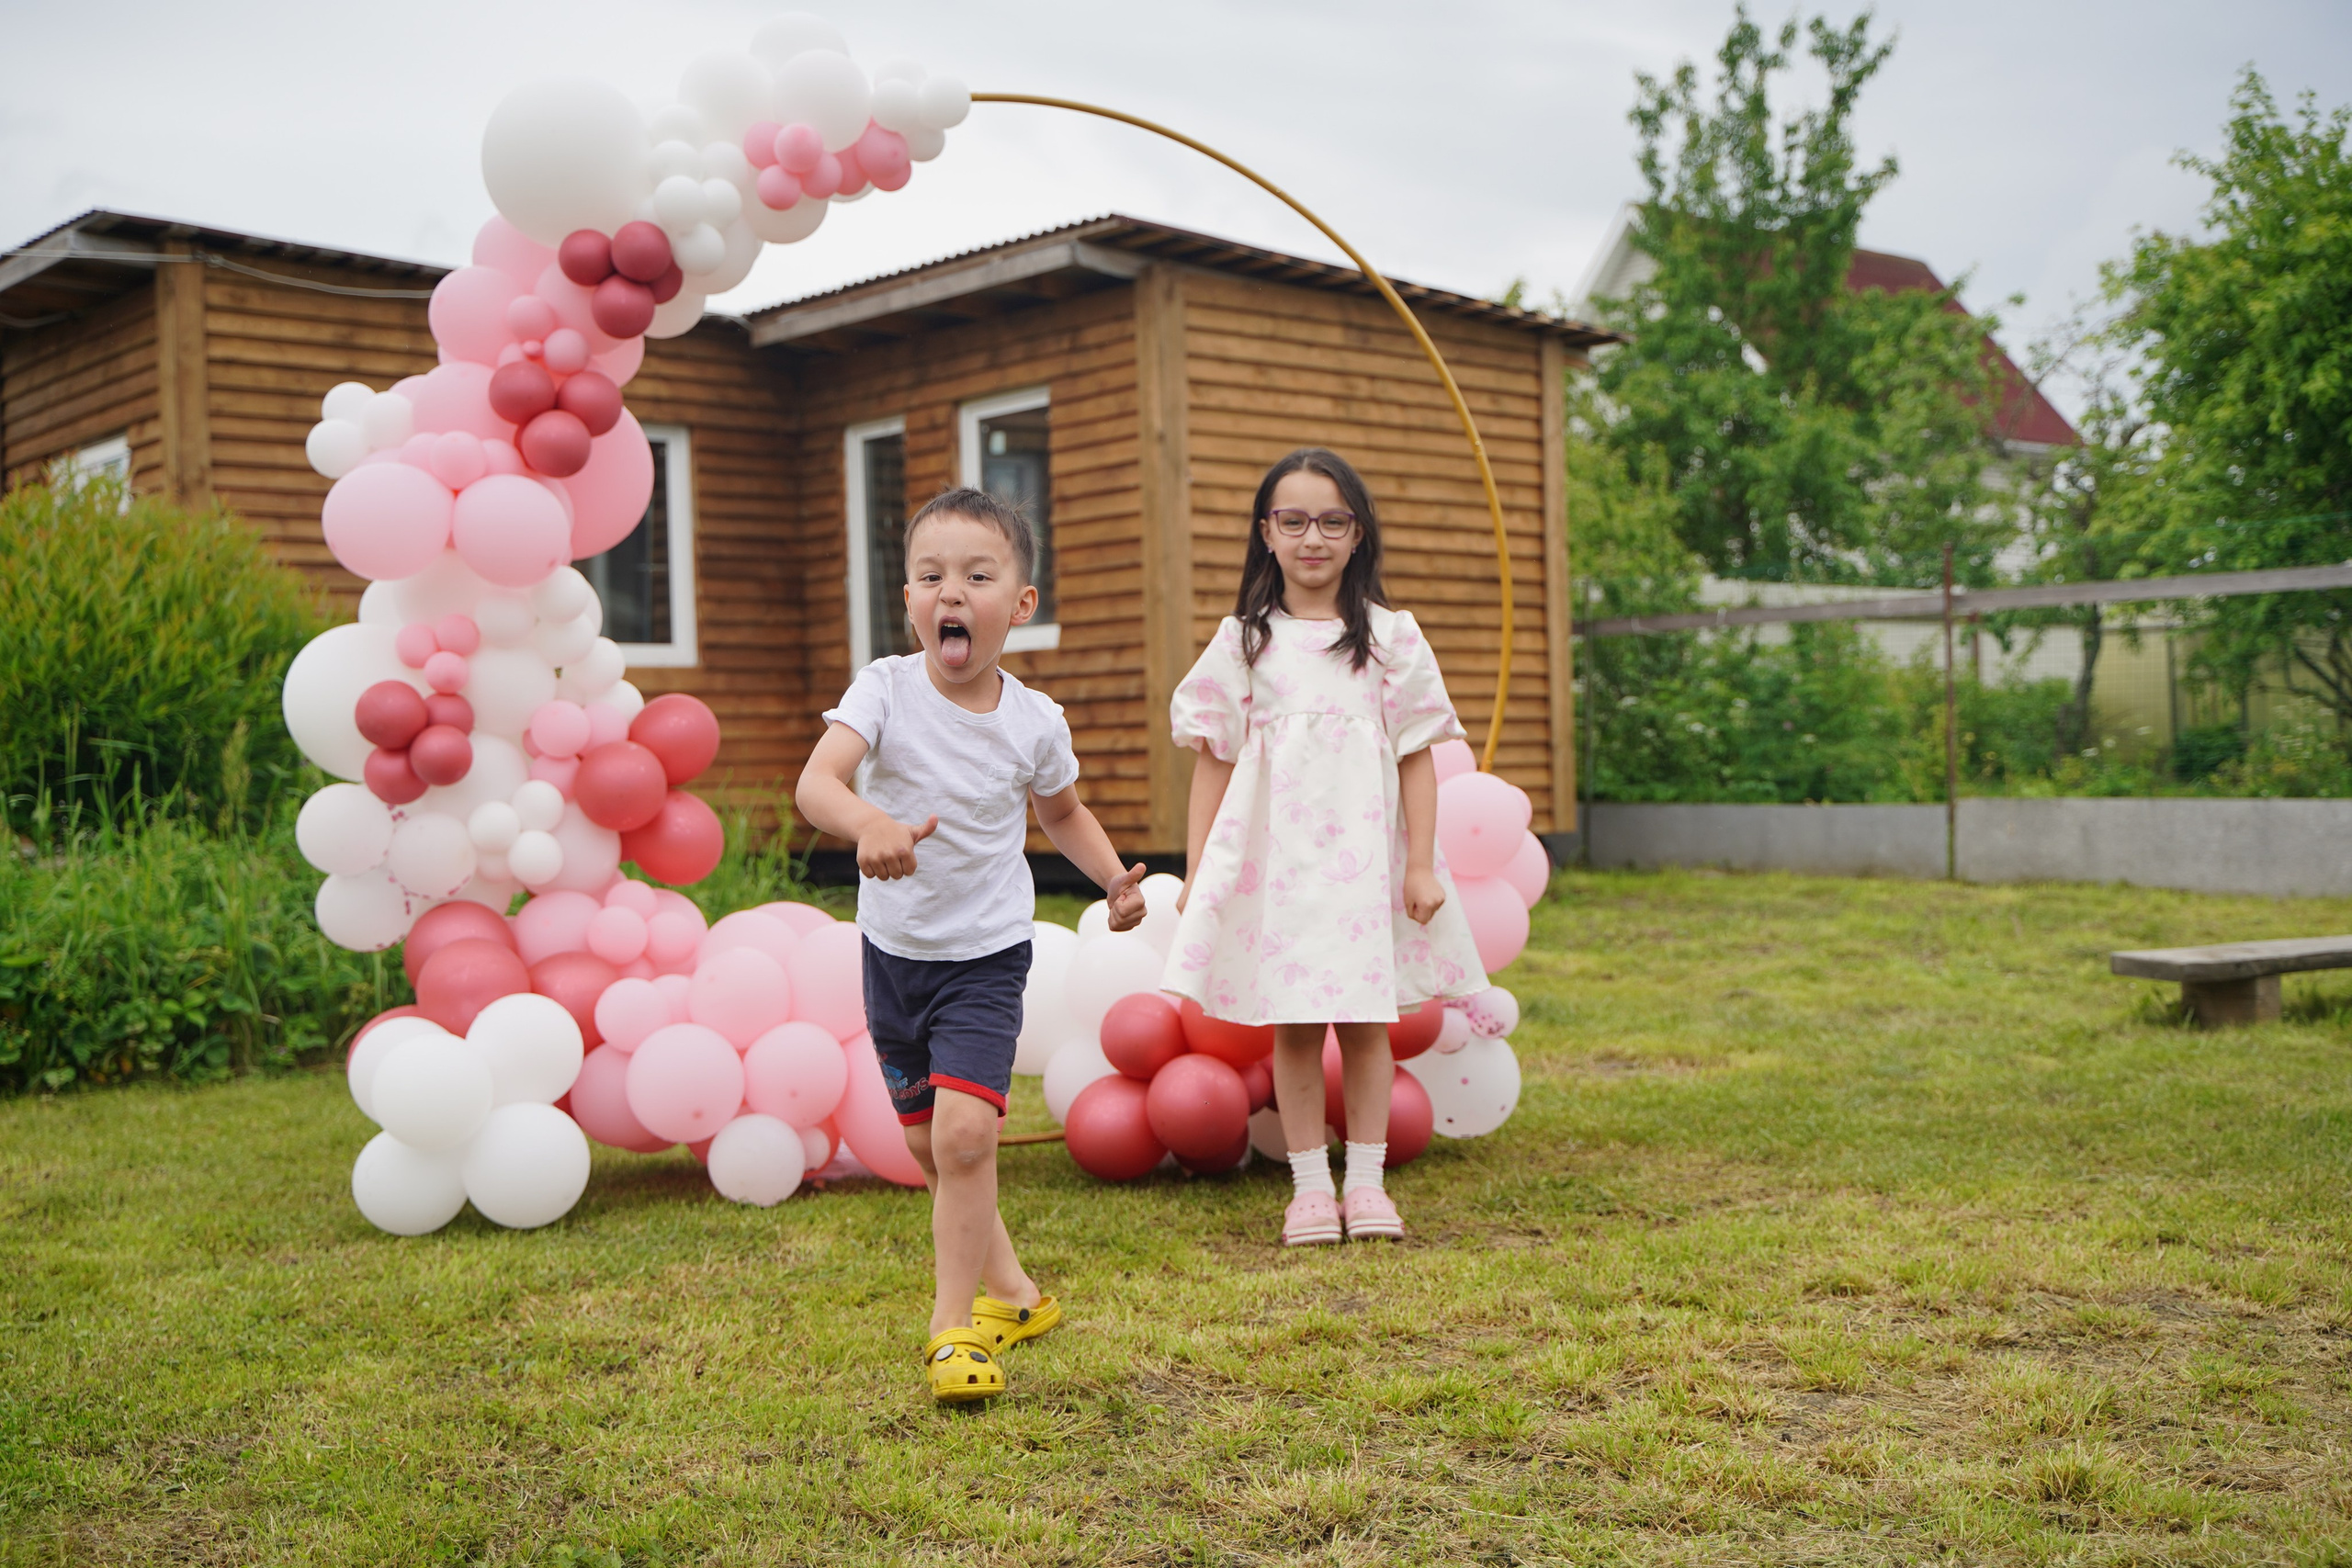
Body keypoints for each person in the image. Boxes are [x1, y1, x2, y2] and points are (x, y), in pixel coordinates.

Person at [797, 485, 1147, 1404]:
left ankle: (954, 1332)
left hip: (986, 957)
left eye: (976, 575)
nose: (950, 592)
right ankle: (1017, 1294)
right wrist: (867, 821)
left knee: (962, 1138)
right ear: (909, 601)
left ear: (1018, 607)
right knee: (929, 1147)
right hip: (894, 955)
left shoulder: (1035, 721)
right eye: (929, 575)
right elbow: (817, 783)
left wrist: (1112, 879)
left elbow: (1062, 812)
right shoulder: (881, 689)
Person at [1164, 447, 1487, 1247]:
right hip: (1283, 873)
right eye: (1294, 519)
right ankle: (1311, 1188)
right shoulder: (1244, 641)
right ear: (1266, 533)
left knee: (1368, 1022)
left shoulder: (1390, 637)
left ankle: (1368, 1182)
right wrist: (1200, 864)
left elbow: (1417, 754)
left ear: (1357, 534)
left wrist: (1419, 863)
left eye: (1332, 520)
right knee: (1299, 1026)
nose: (1314, 536)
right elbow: (1214, 761)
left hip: (1368, 864)